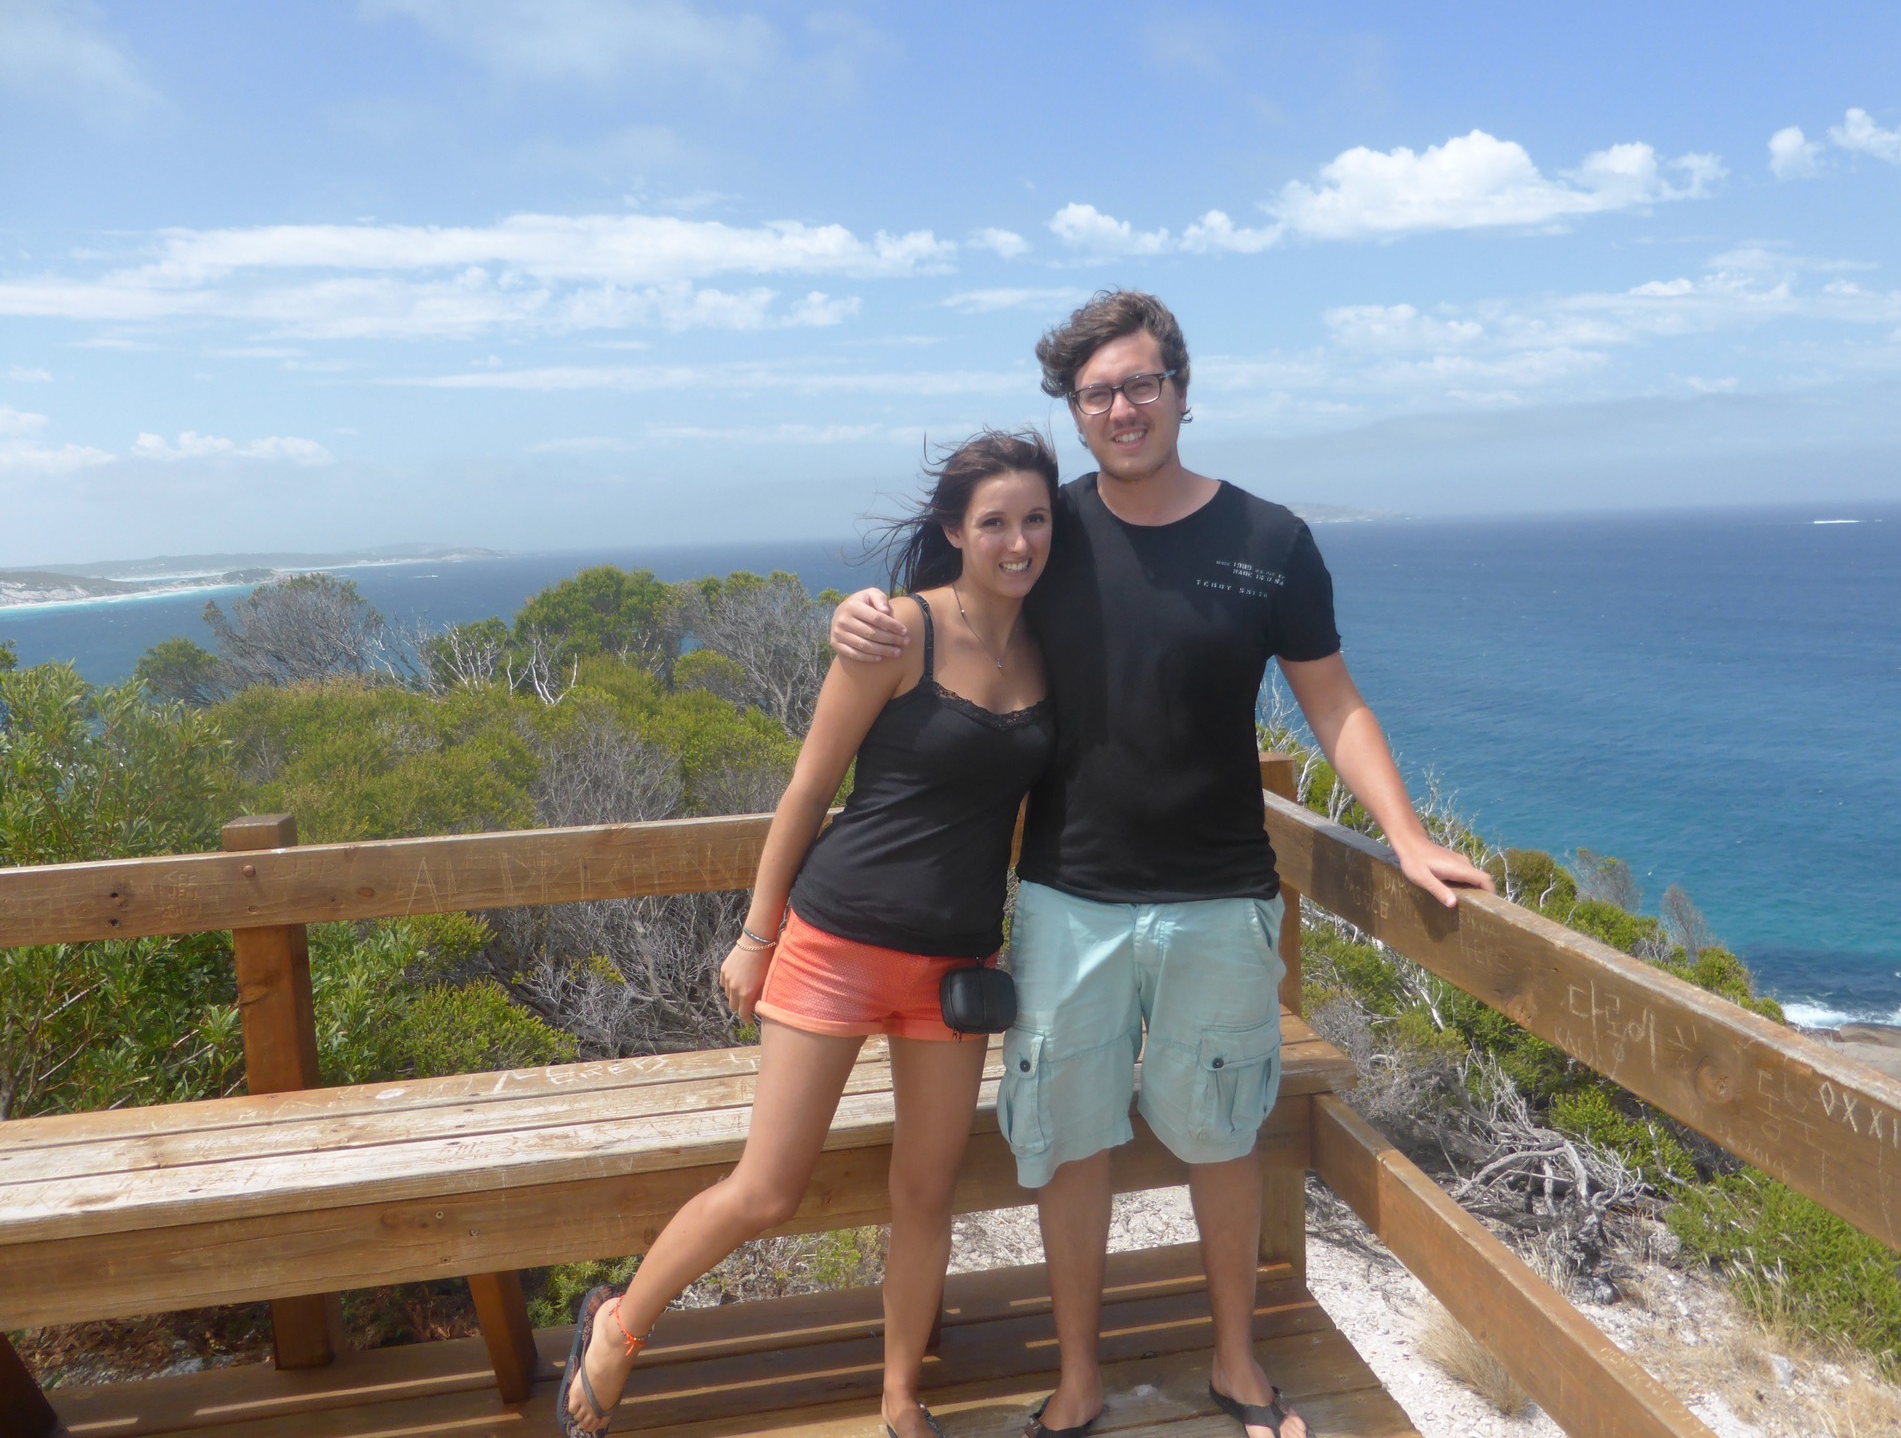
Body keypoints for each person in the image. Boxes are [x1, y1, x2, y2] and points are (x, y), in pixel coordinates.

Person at [830, 291, 1494, 1438]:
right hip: (1065, 896)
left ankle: (1236, 1363)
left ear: (1182, 390)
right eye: (1096, 393)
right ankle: (1079, 1378)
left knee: (1222, 1137)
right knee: (1067, 1145)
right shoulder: (1050, 531)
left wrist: (1404, 834)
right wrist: (856, 617)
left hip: (1221, 896)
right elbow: (944, 601)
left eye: (1141, 383)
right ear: (1074, 411)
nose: (1122, 408)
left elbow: (1332, 702)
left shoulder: (1270, 542)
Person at [560, 430, 1060, 1438]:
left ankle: (899, 1394)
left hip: (956, 965)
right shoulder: (897, 634)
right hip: (835, 942)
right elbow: (807, 787)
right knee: (768, 1189)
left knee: (926, 1195)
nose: (1018, 541)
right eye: (994, 522)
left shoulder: (1055, 646)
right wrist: (757, 935)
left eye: (1036, 519)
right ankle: (618, 1323)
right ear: (953, 530)